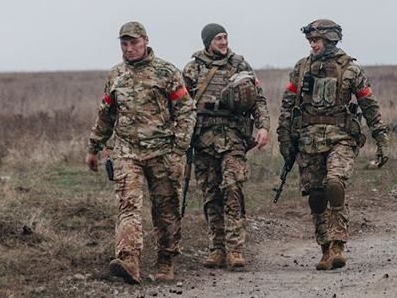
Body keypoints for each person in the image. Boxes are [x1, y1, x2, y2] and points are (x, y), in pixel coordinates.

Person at [86, 21, 196, 284]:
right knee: (128, 205)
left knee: (166, 207)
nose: (129, 48)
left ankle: (166, 260)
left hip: (163, 151)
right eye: (124, 43)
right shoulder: (115, 75)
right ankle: (129, 261)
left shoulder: (166, 72)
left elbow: (186, 110)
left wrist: (178, 147)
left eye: (134, 42)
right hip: (126, 150)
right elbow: (106, 113)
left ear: (145, 41)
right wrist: (94, 146)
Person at [277, 19, 388, 270]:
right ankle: (325, 247)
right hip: (308, 140)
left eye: (317, 40)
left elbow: (369, 106)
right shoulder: (301, 68)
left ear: (330, 40)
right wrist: (284, 137)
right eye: (310, 41)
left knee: (334, 183)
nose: (313, 45)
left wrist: (382, 139)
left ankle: (339, 242)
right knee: (316, 196)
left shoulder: (350, 69)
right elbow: (287, 105)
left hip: (341, 137)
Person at [182, 24, 271, 271]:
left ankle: (235, 250)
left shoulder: (240, 65)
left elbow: (258, 99)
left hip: (233, 138)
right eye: (218, 38)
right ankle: (216, 249)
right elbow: (180, 103)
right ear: (208, 42)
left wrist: (263, 127)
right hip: (203, 140)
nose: (223, 42)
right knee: (211, 195)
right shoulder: (193, 68)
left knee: (233, 188)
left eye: (225, 37)